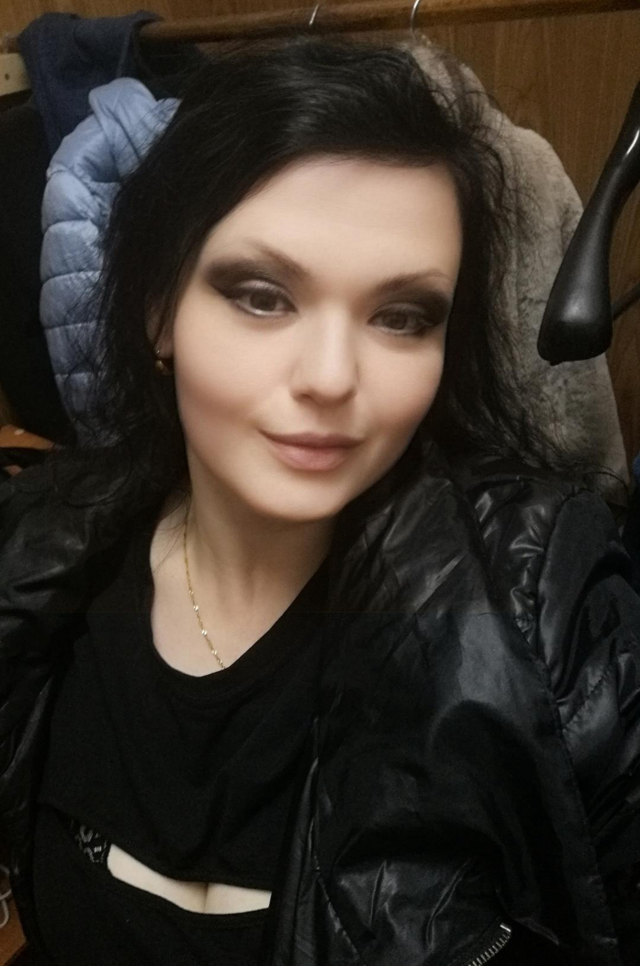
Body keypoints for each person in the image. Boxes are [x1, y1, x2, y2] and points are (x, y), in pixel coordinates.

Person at [0, 34, 639, 966]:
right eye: (263, 297)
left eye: (401, 317)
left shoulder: (549, 605)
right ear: (159, 311)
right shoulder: (38, 552)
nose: (333, 377)